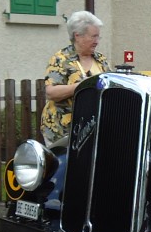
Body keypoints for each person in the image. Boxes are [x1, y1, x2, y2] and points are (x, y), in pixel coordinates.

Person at [40, 11, 110, 145]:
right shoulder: (60, 59)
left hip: (93, 130)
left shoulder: (101, 60)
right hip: (62, 132)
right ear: (77, 36)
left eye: (98, 37)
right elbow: (51, 92)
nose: (97, 42)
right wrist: (82, 86)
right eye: (93, 37)